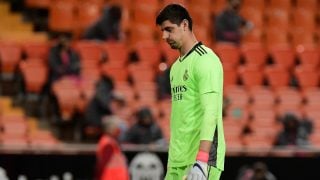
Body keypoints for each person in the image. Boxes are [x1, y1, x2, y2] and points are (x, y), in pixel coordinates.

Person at [156, 4, 226, 180]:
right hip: (177, 161)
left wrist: (201, 160)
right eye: (163, 31)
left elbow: (211, 113)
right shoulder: (175, 68)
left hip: (200, 162)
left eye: (169, 30)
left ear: (185, 25)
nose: (164, 36)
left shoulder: (206, 60)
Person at [95, 115, 130, 180]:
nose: (120, 130)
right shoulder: (107, 143)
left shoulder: (112, 141)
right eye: (118, 127)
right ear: (112, 128)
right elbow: (104, 166)